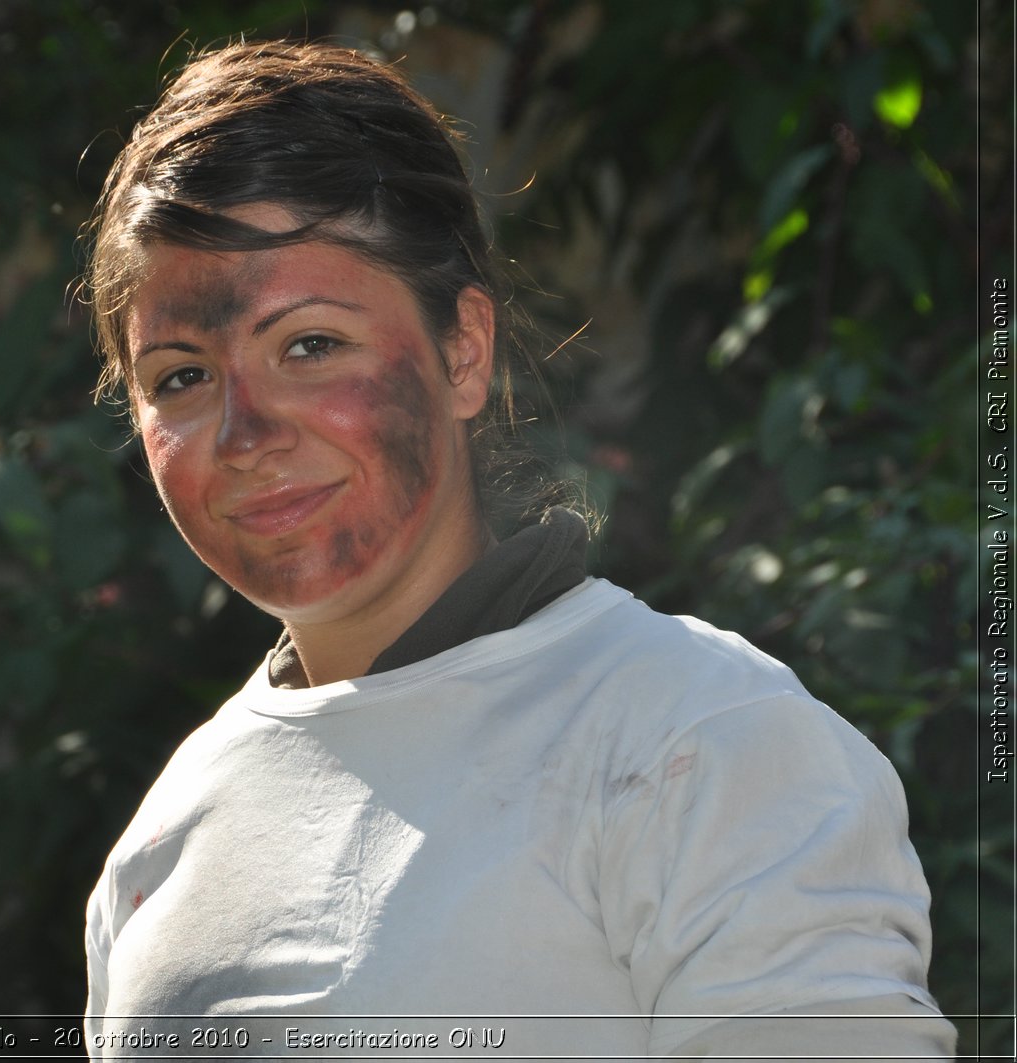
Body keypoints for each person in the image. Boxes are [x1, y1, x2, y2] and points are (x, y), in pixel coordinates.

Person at [78, 39, 955, 1059]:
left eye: (310, 345)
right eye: (181, 376)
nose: (245, 434)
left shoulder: (697, 743)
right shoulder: (169, 830)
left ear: (463, 353)